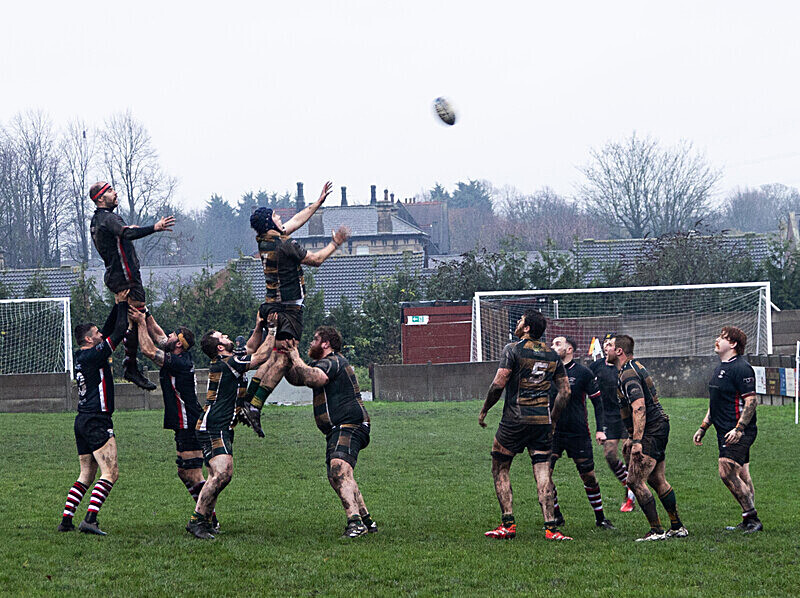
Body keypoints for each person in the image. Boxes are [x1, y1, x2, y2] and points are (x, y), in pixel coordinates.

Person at [239, 181, 350, 436]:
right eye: (276, 216)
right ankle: (254, 407)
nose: (281, 218)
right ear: (270, 222)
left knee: (272, 357)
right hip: (288, 310)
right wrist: (335, 243)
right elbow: (316, 260)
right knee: (283, 358)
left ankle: (246, 400)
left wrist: (317, 203)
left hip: (270, 306)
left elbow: (296, 221)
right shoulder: (285, 244)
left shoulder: (264, 239)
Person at [478, 310, 573, 541]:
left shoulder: (513, 349)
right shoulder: (552, 355)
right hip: (541, 422)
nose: (518, 323)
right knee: (543, 471)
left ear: (527, 328)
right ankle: (551, 528)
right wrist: (553, 419)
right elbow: (565, 392)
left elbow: (498, 384)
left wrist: (485, 409)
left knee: (500, 467)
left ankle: (508, 524)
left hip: (514, 420)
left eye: (521, 320)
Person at [127, 308, 219, 529]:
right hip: (183, 423)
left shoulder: (179, 363)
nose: (166, 335)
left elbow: (149, 350)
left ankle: (208, 519)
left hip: (189, 423)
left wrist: (140, 324)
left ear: (178, 343)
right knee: (183, 473)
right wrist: (145, 312)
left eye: (172, 335)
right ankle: (207, 516)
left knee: (194, 474)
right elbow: (158, 334)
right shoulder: (177, 354)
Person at [186, 316, 274, 539]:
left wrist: (259, 326)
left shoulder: (230, 360)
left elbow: (251, 348)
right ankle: (197, 521)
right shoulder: (229, 363)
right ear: (219, 347)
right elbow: (261, 356)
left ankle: (205, 521)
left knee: (218, 475)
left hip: (219, 426)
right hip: (213, 426)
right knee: (223, 474)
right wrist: (272, 331)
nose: (226, 336)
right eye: (222, 336)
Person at [285, 327, 376, 538]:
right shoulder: (323, 364)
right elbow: (299, 378)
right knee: (337, 476)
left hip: (350, 424)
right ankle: (366, 521)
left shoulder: (333, 361)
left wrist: (296, 357)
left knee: (339, 470)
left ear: (326, 343)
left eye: (315, 339)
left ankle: (355, 524)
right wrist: (286, 360)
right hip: (337, 429)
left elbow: (316, 378)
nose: (311, 343)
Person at [89, 181, 175, 390]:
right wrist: (154, 227)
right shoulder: (108, 218)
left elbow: (120, 235)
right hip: (126, 276)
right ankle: (130, 366)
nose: (115, 193)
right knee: (136, 318)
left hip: (116, 275)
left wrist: (128, 231)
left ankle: (100, 348)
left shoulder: (98, 219)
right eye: (110, 191)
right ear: (100, 198)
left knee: (133, 315)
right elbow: (126, 234)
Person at [57, 291, 130, 535]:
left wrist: (117, 304)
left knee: (87, 474)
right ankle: (90, 519)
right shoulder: (94, 355)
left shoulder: (83, 355)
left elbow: (108, 330)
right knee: (111, 473)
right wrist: (123, 307)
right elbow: (118, 332)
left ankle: (66, 520)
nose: (101, 335)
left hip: (82, 420)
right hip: (97, 419)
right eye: (97, 333)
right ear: (89, 339)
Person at [607, 335, 687, 541]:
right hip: (657, 426)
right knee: (657, 479)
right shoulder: (631, 368)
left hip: (652, 429)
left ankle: (657, 531)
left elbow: (639, 407)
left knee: (634, 481)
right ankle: (677, 527)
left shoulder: (628, 373)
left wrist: (637, 442)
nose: (606, 349)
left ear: (619, 351)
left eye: (610, 346)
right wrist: (631, 436)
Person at [693, 326, 762, 533]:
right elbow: (715, 403)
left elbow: (751, 402)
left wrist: (739, 429)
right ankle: (748, 519)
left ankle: (752, 518)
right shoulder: (720, 368)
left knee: (726, 471)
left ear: (732, 344)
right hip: (723, 430)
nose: (717, 340)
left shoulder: (742, 368)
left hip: (737, 431)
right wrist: (704, 427)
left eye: (722, 337)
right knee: (743, 474)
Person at [549, 336, 615, 530]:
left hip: (577, 432)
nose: (553, 347)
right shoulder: (547, 371)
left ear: (569, 349)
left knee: (588, 476)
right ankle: (556, 515)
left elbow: (598, 403)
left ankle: (600, 518)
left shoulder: (583, 373)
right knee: (544, 475)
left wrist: (600, 430)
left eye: (557, 344)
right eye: (552, 344)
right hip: (551, 433)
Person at [588, 333, 636, 512]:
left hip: (627, 415)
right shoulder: (596, 366)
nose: (607, 347)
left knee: (629, 455)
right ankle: (628, 483)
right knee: (609, 455)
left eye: (610, 344)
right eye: (605, 344)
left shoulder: (625, 367)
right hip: (608, 416)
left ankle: (631, 496)